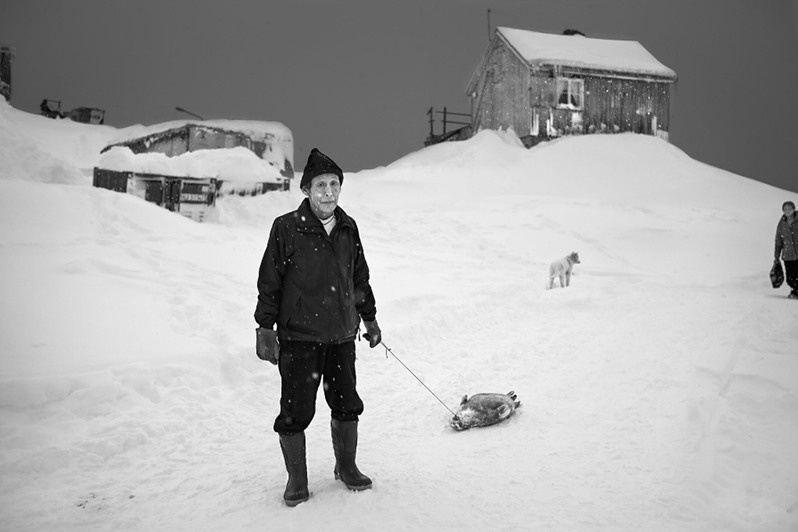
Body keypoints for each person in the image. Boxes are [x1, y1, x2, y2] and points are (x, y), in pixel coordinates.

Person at [254, 147, 382, 506]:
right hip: (300, 338)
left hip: (341, 336)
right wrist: (265, 327)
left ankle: (347, 467)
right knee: (296, 411)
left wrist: (369, 318)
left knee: (347, 404)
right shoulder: (286, 228)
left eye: (334, 184)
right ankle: (297, 479)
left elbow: (359, 277)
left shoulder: (347, 226)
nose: (328, 192)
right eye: (321, 185)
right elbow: (270, 281)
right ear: (306, 190)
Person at [774, 200, 798, 299]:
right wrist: (776, 255)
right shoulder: (781, 224)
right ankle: (795, 291)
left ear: (794, 209)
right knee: (791, 276)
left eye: (789, 208)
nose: (787, 211)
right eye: (785, 209)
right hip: (788, 254)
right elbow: (778, 240)